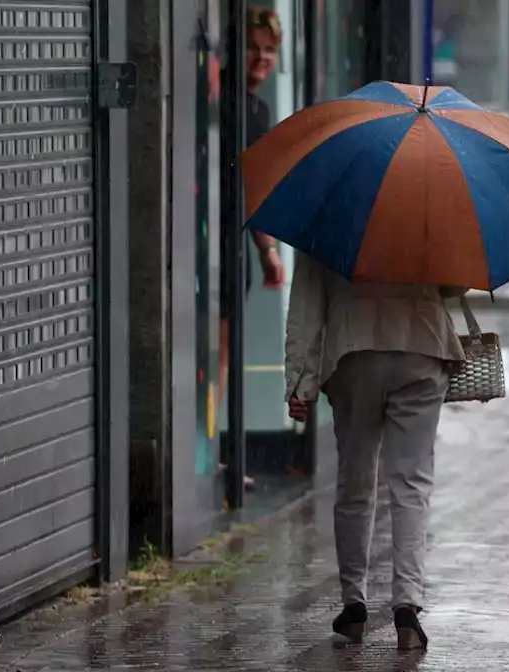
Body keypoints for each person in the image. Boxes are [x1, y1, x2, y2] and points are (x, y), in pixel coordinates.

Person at [284, 251, 466, 650]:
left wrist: (301, 379)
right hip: (422, 345)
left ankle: (354, 604)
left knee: (356, 479)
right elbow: (454, 283)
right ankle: (407, 605)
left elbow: (307, 302)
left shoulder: (325, 205)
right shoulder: (429, 200)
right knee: (411, 483)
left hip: (354, 351)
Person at [218, 5, 286, 489]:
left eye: (269, 50)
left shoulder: (254, 109)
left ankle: (216, 454)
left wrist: (263, 248)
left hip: (229, 248)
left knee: (219, 354)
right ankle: (214, 457)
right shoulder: (231, 104)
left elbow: (251, 188)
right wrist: (267, 249)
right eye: (253, 47)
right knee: (213, 353)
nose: (261, 58)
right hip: (214, 247)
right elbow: (250, 186)